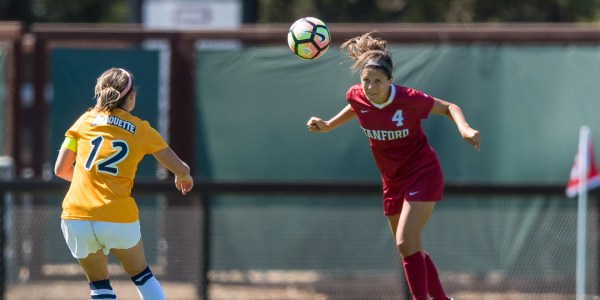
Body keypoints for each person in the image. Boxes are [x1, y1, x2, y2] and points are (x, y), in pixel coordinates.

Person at [306, 32, 480, 300]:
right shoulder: (356, 95)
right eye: (366, 80)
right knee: (412, 247)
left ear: (390, 81)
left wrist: (465, 128)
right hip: (392, 180)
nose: (371, 87)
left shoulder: (408, 99)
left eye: (378, 81)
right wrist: (328, 125)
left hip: (422, 172)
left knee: (404, 241)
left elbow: (448, 107)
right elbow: (356, 107)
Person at [54, 67, 194, 300]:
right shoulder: (141, 129)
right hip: (117, 216)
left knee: (99, 285)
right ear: (131, 97)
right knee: (142, 275)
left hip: (76, 215)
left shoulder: (83, 122)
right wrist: (184, 177)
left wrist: (89, 181)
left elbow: (60, 169)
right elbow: (180, 168)